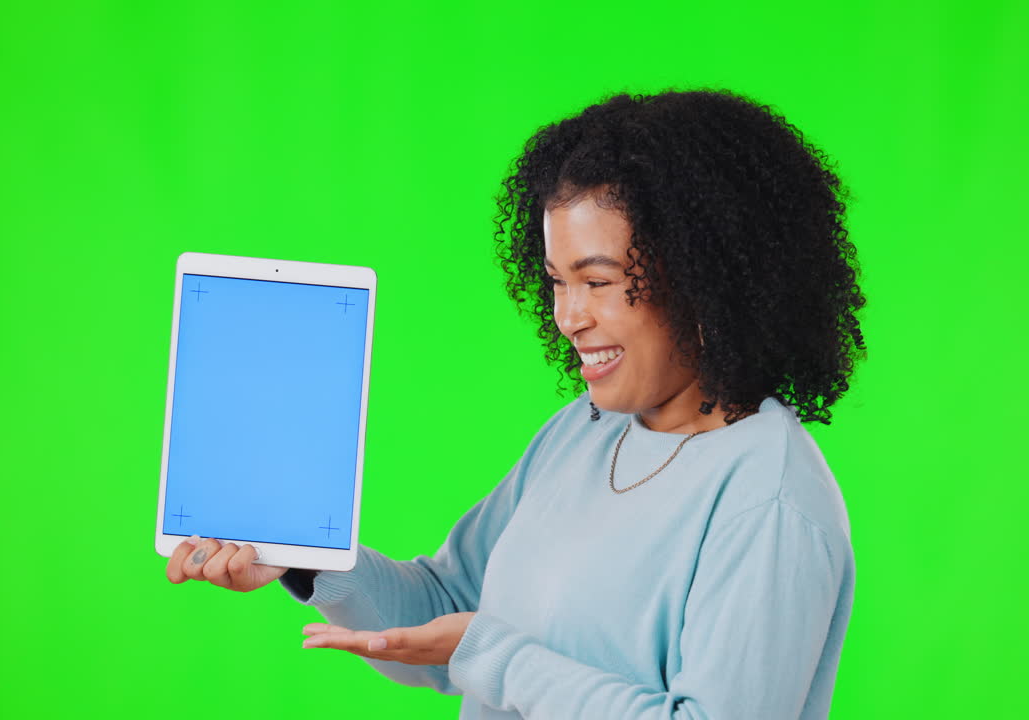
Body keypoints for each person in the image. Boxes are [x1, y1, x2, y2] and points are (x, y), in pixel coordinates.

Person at [166, 88, 867, 719]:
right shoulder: (584, 432)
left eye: (597, 281)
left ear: (702, 278)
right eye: (557, 281)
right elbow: (447, 609)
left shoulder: (769, 500)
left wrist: (495, 657)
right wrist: (303, 558)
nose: (569, 316)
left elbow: (481, 647)